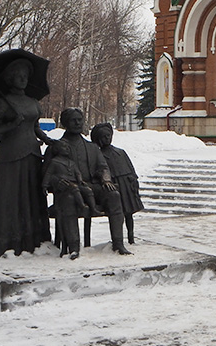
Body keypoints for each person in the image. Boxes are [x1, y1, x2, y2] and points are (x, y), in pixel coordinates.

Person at [0, 58, 52, 257]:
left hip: (32, 153)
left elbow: (36, 127)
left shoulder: (32, 102)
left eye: (25, 76)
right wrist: (13, 124)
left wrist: (48, 140)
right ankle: (9, 241)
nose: (22, 79)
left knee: (32, 196)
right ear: (10, 79)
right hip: (11, 156)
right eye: (18, 76)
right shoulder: (2, 102)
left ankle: (34, 240)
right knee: (11, 197)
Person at [58, 108, 132, 255]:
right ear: (65, 123)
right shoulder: (58, 147)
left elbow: (103, 166)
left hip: (92, 187)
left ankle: (118, 244)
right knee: (68, 199)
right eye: (74, 120)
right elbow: (48, 171)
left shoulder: (91, 147)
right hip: (70, 190)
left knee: (114, 195)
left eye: (80, 119)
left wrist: (106, 180)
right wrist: (58, 182)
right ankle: (73, 247)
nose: (78, 123)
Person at [42, 140, 97, 260]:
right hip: (64, 192)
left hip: (75, 186)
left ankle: (93, 208)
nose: (67, 149)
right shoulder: (54, 162)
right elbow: (47, 175)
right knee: (71, 198)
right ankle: (73, 246)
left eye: (68, 147)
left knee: (87, 190)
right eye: (64, 147)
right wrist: (46, 185)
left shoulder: (71, 162)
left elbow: (77, 173)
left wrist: (80, 179)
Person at [90, 122, 143, 245]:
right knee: (118, 214)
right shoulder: (98, 155)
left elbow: (130, 168)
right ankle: (118, 238)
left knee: (129, 213)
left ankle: (131, 237)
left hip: (126, 184)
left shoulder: (121, 152)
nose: (107, 138)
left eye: (108, 135)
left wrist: (133, 179)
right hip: (114, 185)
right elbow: (97, 171)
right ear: (98, 139)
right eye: (104, 137)